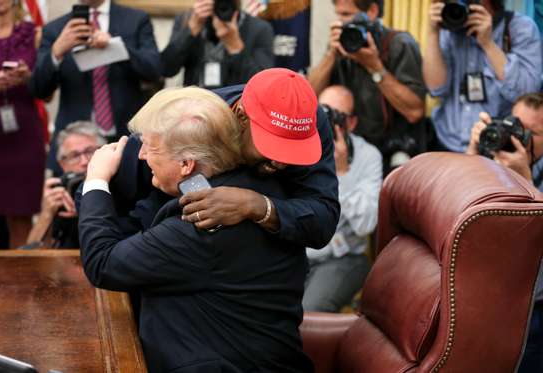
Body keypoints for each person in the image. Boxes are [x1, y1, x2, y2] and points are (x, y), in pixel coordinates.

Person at [79, 87, 314, 373]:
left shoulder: (202, 224)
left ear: (187, 164)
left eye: (151, 146)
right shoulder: (262, 187)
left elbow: (103, 264)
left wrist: (96, 180)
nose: (141, 155)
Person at [105, 67, 340, 250]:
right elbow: (110, 184)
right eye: (271, 148)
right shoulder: (187, 119)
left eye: (292, 152)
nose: (280, 163)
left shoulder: (305, 121)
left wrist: (257, 205)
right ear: (240, 116)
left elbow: (323, 221)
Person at [29, 0, 161, 174]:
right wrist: (56, 51)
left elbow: (155, 70)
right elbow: (39, 89)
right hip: (75, 145)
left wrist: (115, 48)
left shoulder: (136, 19)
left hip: (126, 136)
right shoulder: (55, 29)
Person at [465, 92, 543, 373]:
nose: (517, 137)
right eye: (513, 125)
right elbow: (454, 207)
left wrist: (526, 182)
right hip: (482, 297)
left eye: (530, 132)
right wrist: (473, 154)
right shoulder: (489, 159)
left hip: (531, 307)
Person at [307, 0, 426, 174]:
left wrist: (375, 67)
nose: (340, 22)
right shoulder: (343, 43)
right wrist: (331, 54)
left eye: (346, 15)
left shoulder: (399, 44)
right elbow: (309, 96)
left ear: (372, 11)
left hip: (394, 157)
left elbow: (414, 111)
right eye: (338, 14)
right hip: (349, 151)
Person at [424, 0, 542, 153]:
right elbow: (436, 88)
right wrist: (433, 33)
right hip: (446, 141)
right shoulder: (450, 24)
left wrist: (488, 43)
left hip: (497, 146)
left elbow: (525, 93)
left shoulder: (520, 28)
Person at [303, 85, 382, 312]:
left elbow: (366, 224)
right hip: (298, 254)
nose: (328, 121)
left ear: (352, 123)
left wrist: (342, 173)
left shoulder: (368, 156)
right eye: (323, 111)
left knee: (310, 313)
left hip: (342, 257)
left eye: (338, 115)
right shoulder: (300, 146)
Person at [0, 0, 45, 248]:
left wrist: (29, 78)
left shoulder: (35, 34)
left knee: (21, 220)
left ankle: (22, 285)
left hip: (24, 137)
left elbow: (47, 92)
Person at [161, 0, 274, 88]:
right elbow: (166, 69)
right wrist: (190, 31)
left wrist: (235, 46)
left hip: (235, 106)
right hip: (196, 103)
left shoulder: (259, 28)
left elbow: (262, 85)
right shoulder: (187, 20)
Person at [27, 122, 105, 248]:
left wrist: (86, 212)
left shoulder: (122, 185)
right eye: (74, 156)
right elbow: (31, 253)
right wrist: (46, 214)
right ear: (63, 164)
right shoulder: (61, 192)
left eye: (90, 151)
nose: (84, 161)